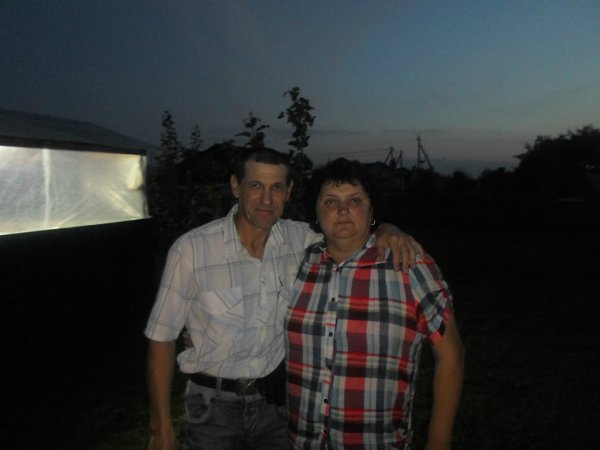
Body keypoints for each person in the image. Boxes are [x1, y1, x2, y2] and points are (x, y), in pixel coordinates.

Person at [144, 148, 423, 450]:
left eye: (276, 187)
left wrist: (386, 228)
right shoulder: (191, 250)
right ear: (236, 186)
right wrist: (161, 427)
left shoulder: (301, 240)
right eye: (256, 186)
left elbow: (350, 232)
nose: (266, 199)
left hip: (277, 405)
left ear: (288, 191)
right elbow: (161, 338)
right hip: (213, 408)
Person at [286, 158, 464, 450]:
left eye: (355, 200)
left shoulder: (409, 265)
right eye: (330, 201)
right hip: (302, 442)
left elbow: (451, 356)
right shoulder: (297, 265)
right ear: (315, 211)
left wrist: (438, 441)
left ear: (372, 210)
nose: (343, 210)